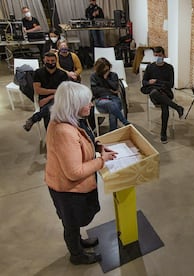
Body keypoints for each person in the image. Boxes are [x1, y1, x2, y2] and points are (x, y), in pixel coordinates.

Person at [45, 81, 117, 265]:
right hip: (67, 189)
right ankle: (76, 255)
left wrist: (99, 147)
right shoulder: (63, 131)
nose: (91, 105)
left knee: (73, 222)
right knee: (70, 224)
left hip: (69, 187)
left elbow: (84, 142)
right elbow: (74, 172)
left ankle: (79, 243)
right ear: (74, 105)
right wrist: (102, 160)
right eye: (87, 102)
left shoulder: (69, 120)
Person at [141, 46, 184, 143]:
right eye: (155, 56)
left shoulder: (169, 68)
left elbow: (171, 84)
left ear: (163, 55)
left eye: (159, 55)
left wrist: (157, 81)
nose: (157, 57)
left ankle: (163, 133)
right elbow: (144, 82)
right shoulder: (150, 67)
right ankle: (177, 107)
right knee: (155, 92)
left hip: (165, 92)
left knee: (165, 105)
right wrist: (150, 83)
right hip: (154, 93)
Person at [23, 52, 68, 131]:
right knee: (50, 112)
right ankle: (50, 135)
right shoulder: (38, 73)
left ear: (56, 61)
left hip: (59, 99)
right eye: (48, 60)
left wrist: (49, 97)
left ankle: (34, 118)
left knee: (52, 107)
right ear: (44, 60)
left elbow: (64, 91)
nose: (50, 62)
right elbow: (38, 90)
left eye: (52, 60)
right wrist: (55, 91)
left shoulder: (62, 74)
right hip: (47, 100)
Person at [90, 57, 130, 131]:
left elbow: (115, 87)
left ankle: (112, 131)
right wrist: (110, 90)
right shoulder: (94, 77)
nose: (107, 71)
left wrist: (106, 79)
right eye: (105, 70)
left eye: (108, 69)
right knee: (111, 105)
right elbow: (95, 91)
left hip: (114, 99)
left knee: (112, 109)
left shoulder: (113, 75)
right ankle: (125, 122)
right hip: (101, 100)